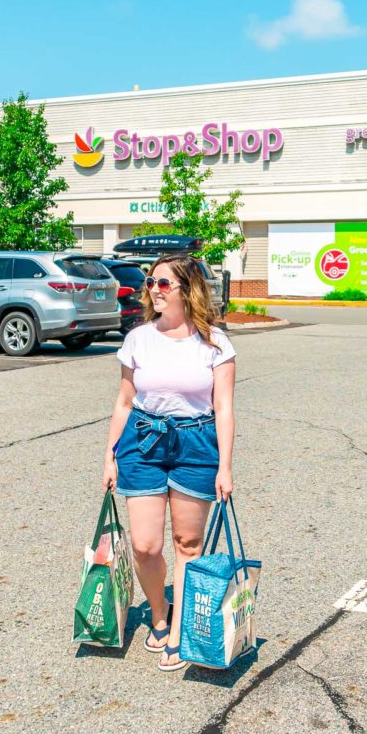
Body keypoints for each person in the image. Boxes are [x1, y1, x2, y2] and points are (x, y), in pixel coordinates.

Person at [103, 254, 236, 671]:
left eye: (163, 284)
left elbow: (225, 408)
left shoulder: (214, 342)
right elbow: (124, 401)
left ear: (187, 290)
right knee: (145, 545)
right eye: (150, 283)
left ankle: (180, 629)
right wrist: (109, 457)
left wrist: (225, 466)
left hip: (196, 443)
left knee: (188, 543)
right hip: (142, 441)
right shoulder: (138, 339)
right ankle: (159, 613)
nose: (153, 291)